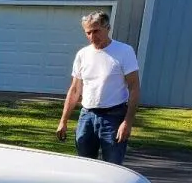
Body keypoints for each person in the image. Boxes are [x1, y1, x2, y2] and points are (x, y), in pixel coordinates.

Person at [56, 11, 140, 164]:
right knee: (84, 164)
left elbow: (134, 87)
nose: (92, 36)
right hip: (86, 116)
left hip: (113, 117)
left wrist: (127, 122)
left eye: (96, 31)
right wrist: (64, 120)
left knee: (113, 166)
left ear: (107, 28)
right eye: (88, 32)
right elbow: (75, 89)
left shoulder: (124, 51)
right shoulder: (83, 54)